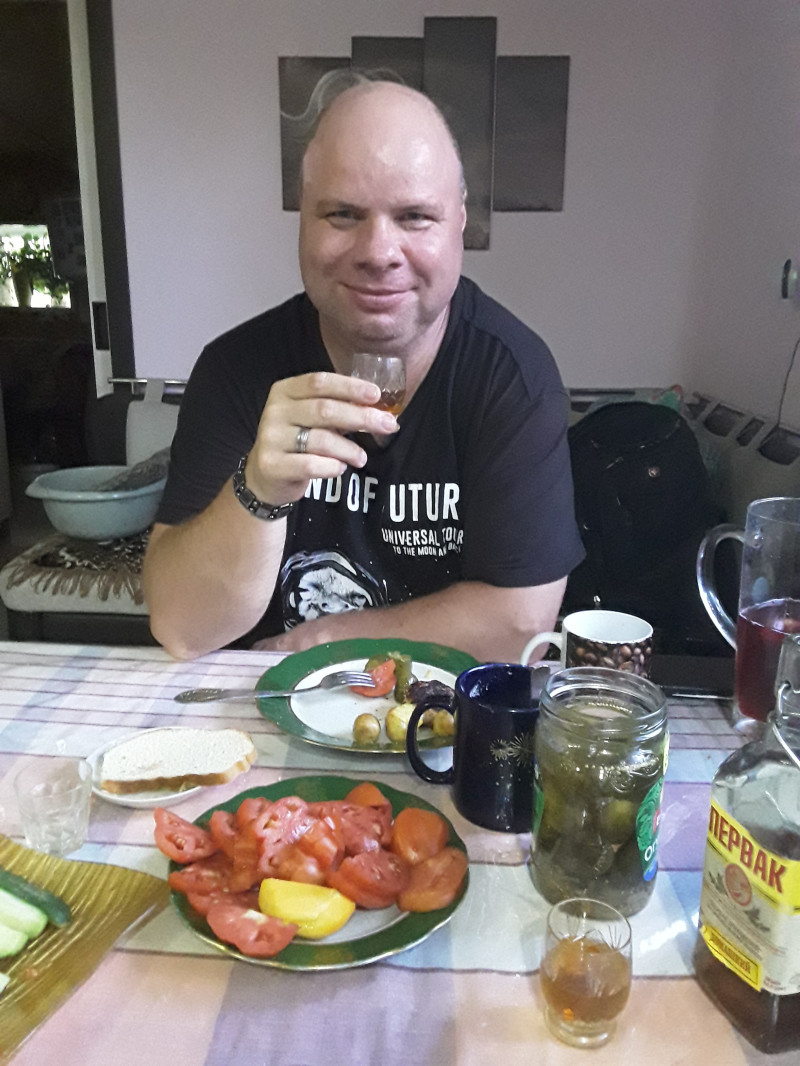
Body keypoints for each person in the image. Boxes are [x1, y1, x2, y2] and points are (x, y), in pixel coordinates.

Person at [142, 75, 584, 662]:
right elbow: (181, 627)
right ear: (303, 219)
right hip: (263, 703)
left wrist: (324, 640)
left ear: (460, 222)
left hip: (435, 706)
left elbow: (519, 624)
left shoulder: (513, 377)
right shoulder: (236, 370)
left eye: (415, 216)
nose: (378, 253)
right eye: (343, 214)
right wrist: (259, 490)